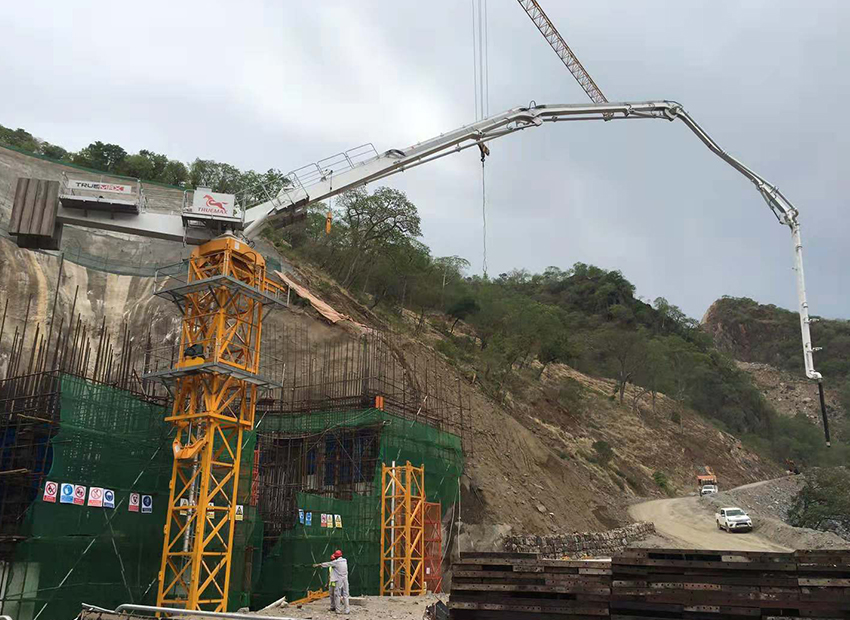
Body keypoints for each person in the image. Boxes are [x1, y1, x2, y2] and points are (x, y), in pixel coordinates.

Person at [314, 549, 349, 615]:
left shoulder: (336, 562)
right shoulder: (344, 560)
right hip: (345, 579)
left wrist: (319, 565)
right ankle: (347, 610)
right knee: (346, 594)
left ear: (336, 556)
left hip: (339, 580)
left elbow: (328, 564)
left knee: (337, 595)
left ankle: (338, 610)